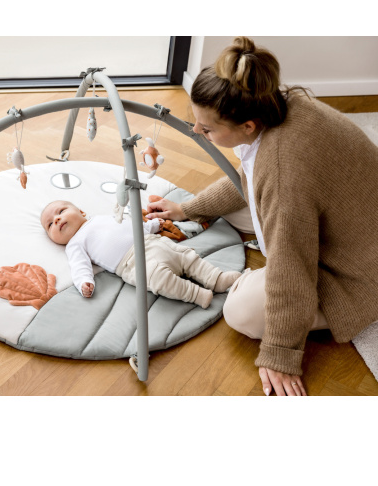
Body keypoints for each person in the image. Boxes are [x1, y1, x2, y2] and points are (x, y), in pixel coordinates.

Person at [145, 36, 378, 396]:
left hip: (360, 272)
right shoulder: (282, 106)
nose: (197, 132)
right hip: (345, 217)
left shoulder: (283, 173)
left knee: (241, 312)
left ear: (248, 126)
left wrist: (281, 353)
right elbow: (252, 177)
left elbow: (291, 264)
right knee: (240, 209)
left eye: (207, 129)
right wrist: (189, 209)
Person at [40, 200, 241, 308]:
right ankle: (195, 294)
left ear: (81, 212)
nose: (56, 220)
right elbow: (79, 266)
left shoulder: (102, 218)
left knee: (186, 256)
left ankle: (216, 278)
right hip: (134, 264)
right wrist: (84, 282)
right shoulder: (74, 244)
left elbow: (130, 226)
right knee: (159, 280)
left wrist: (152, 225)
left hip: (152, 242)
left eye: (61, 211)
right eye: (50, 225)